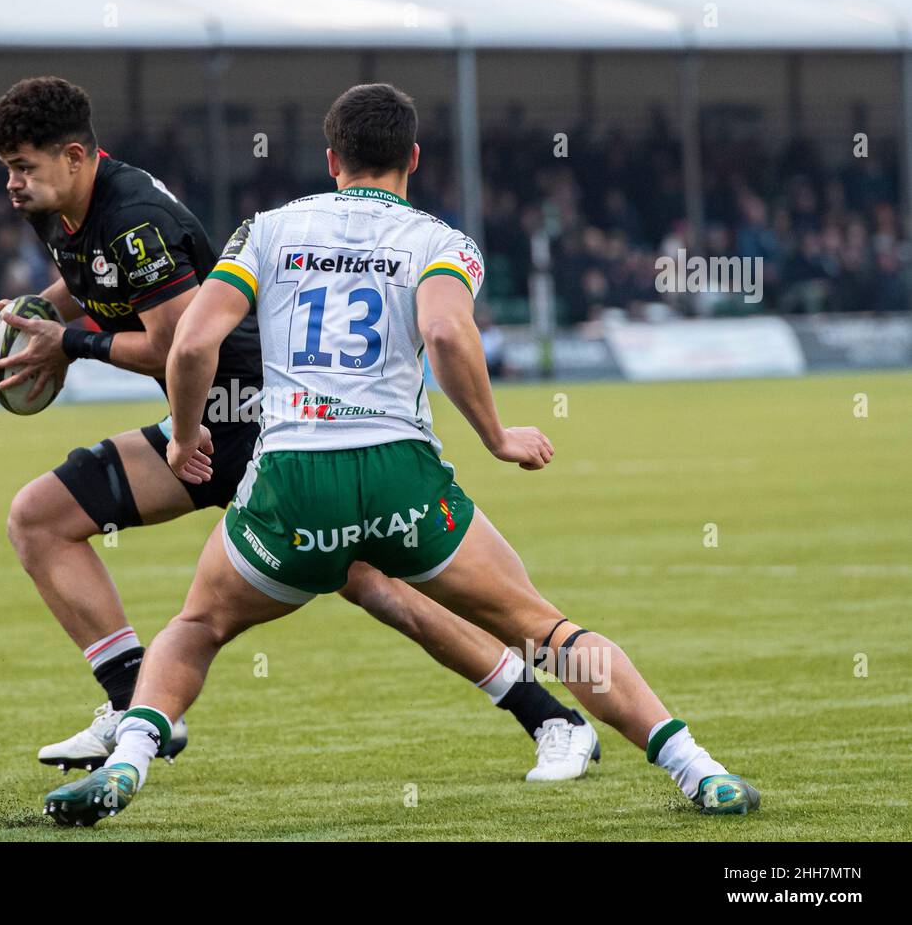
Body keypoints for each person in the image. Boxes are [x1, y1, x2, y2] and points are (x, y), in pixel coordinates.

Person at [46, 83, 760, 825]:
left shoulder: (266, 230)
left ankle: (128, 764)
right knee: (546, 632)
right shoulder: (440, 242)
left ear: (331, 160)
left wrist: (189, 435)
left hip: (294, 480)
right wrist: (498, 436)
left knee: (197, 627)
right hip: (400, 479)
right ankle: (697, 770)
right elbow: (448, 336)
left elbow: (193, 341)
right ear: (413, 158)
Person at [0, 76, 600, 785]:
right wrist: (38, 311)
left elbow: (173, 343)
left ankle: (555, 718)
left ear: (76, 157)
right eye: (6, 170)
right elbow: (89, 273)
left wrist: (70, 345)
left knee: (382, 589)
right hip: (206, 423)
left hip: (254, 420)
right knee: (40, 518)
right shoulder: (62, 207)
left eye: (23, 167)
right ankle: (134, 702)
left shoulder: (133, 218)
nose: (13, 184)